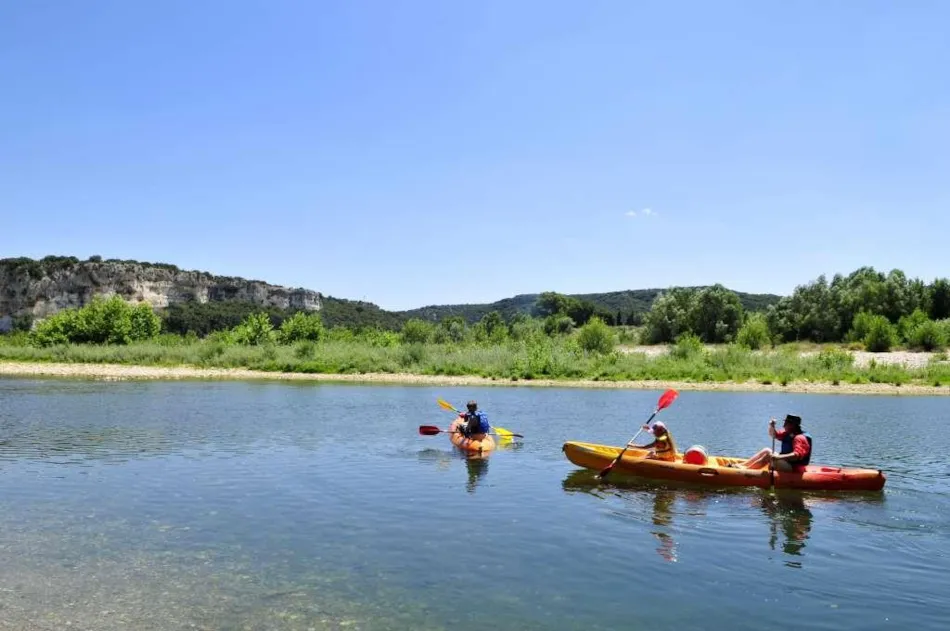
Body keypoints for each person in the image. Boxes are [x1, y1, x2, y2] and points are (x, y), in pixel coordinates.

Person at [736, 414, 812, 472]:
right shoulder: (788, 433)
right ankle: (742, 465)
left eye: (786, 423)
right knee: (766, 450)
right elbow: (774, 435)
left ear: (793, 425)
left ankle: (746, 470)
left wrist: (778, 457)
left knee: (769, 456)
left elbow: (796, 456)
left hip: (794, 468)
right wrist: (772, 426)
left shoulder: (800, 438)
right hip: (787, 462)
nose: (784, 425)